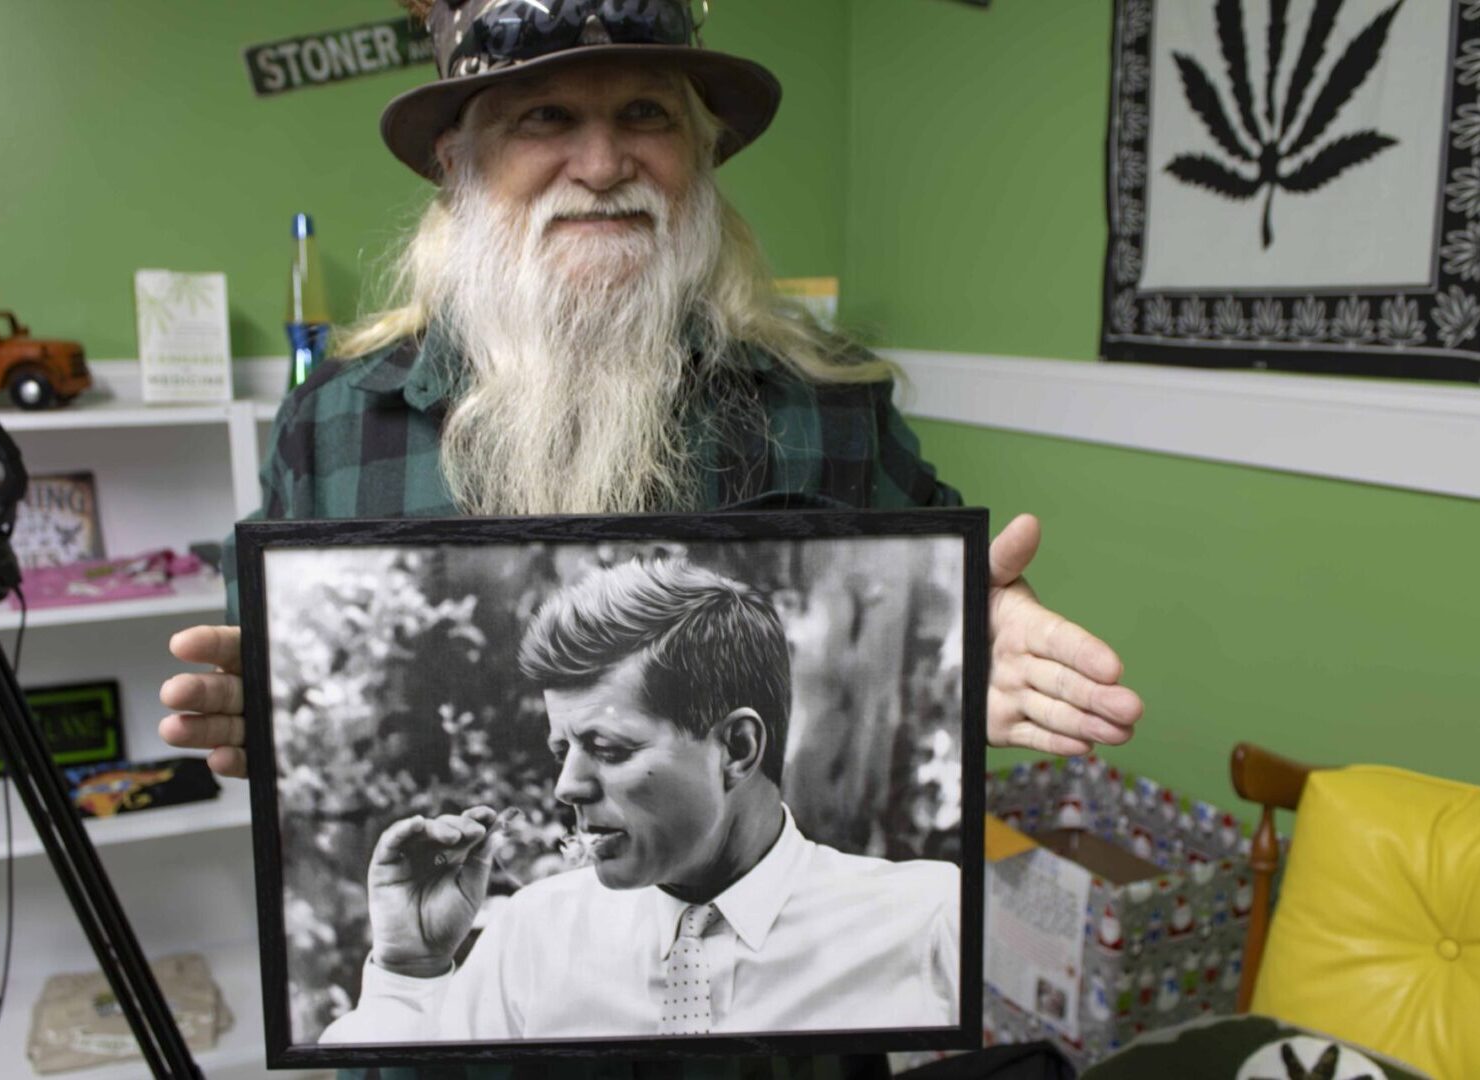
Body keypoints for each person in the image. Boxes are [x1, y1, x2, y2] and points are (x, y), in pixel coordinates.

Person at [158, 0, 1143, 1072]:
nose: (600, 163)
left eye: (644, 115)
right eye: (542, 118)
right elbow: (260, 674)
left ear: (700, 155)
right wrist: (265, 719)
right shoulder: (340, 419)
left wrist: (975, 635)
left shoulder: (825, 402)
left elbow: (952, 593)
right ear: (458, 163)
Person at [320, 558, 962, 1042]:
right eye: (561, 750)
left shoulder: (931, 922)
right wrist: (410, 971)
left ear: (736, 748)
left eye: (607, 746)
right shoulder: (531, 936)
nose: (565, 786)